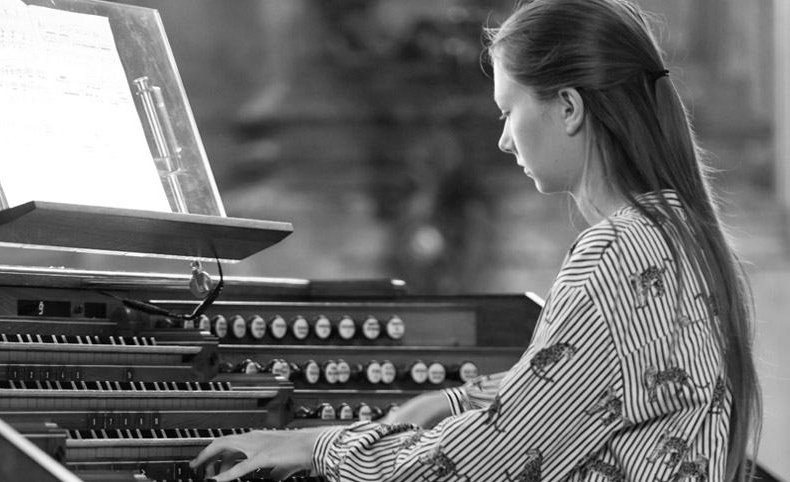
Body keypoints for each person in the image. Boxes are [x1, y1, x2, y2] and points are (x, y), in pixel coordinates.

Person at [190, 0, 762, 480]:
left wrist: (319, 447)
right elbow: (587, 385)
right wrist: (453, 399)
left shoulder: (615, 255)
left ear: (567, 108)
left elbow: (467, 465)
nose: (504, 142)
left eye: (507, 112)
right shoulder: (683, 236)